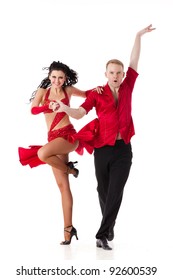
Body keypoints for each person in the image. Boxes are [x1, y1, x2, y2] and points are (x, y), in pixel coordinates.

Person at [50, 24, 156, 250]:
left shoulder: (128, 86)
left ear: (123, 75)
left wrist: (138, 36)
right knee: (103, 190)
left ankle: (102, 235)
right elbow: (79, 113)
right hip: (102, 149)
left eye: (119, 72)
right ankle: (109, 226)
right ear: (105, 74)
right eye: (111, 72)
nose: (116, 76)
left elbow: (134, 60)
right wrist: (64, 108)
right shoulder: (97, 94)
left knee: (116, 190)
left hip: (123, 148)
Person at [18, 61, 88, 245]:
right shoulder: (44, 92)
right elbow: (33, 109)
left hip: (68, 137)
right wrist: (47, 107)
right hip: (53, 140)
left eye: (60, 77)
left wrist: (99, 89)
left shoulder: (69, 90)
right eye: (54, 77)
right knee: (63, 187)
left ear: (65, 79)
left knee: (42, 154)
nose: (57, 80)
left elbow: (87, 94)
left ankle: (71, 170)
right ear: (49, 77)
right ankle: (68, 229)